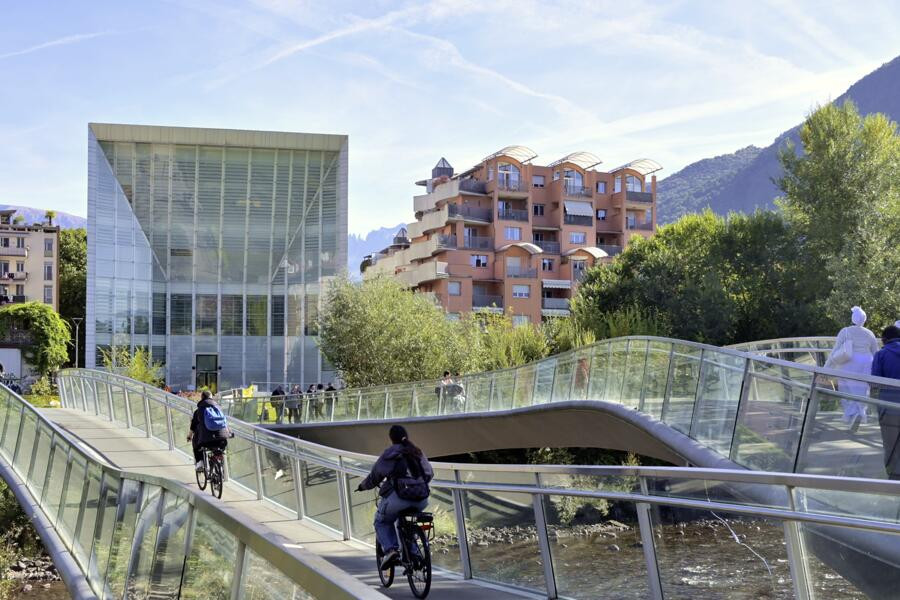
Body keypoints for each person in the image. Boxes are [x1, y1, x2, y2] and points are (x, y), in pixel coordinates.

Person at [356, 425, 433, 570]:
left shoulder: (390, 454)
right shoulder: (417, 452)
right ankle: (414, 554)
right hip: (421, 499)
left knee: (381, 521)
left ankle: (391, 550)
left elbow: (375, 476)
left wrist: (362, 486)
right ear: (406, 436)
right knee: (406, 524)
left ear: (391, 439)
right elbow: (429, 474)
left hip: (399, 498)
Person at [825, 306, 880, 431]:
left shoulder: (845, 331)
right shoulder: (869, 333)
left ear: (853, 318)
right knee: (862, 390)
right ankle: (860, 413)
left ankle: (851, 415)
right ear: (864, 319)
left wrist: (826, 369)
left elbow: (835, 351)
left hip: (849, 363)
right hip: (866, 363)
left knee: (846, 390)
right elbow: (875, 352)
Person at [873, 325, 900, 479]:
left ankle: (894, 478)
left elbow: (874, 382)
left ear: (884, 339)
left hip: (888, 408)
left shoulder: (881, 354)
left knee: (891, 445)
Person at [187, 390, 230, 472]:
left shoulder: (198, 411)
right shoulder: (219, 408)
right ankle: (217, 464)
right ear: (211, 398)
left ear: (202, 398)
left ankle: (200, 463)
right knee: (219, 448)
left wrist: (189, 436)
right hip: (222, 440)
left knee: (195, 442)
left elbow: (193, 426)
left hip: (206, 441)